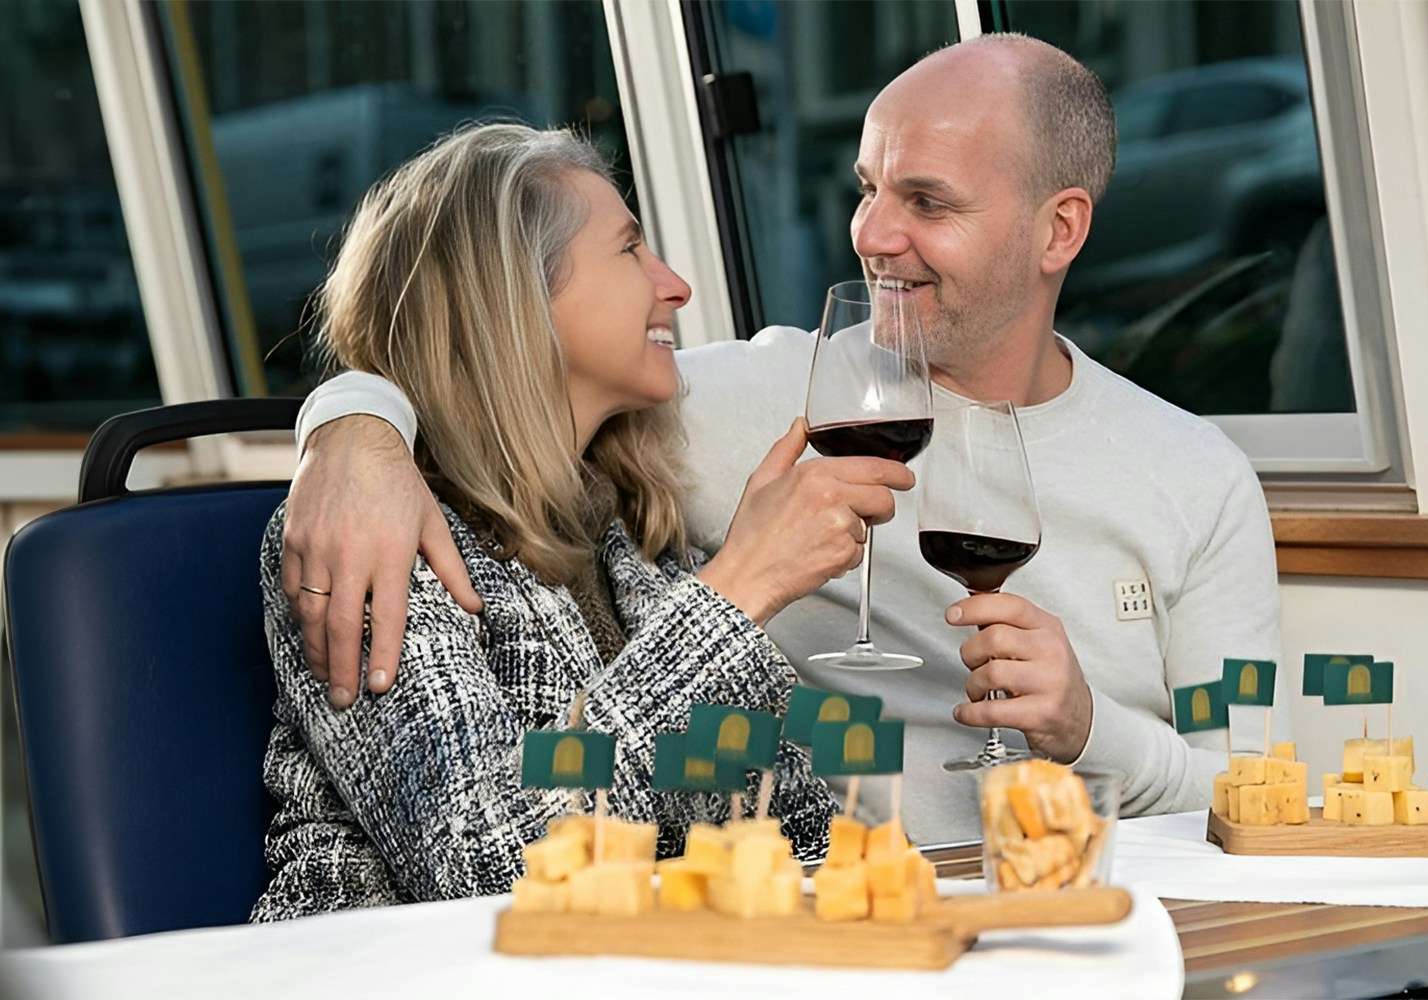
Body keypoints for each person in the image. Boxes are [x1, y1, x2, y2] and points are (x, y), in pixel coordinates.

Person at [283, 34, 1288, 845]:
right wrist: (354, 424)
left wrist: (1087, 730)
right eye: (867, 187)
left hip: (1075, 913)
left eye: (926, 201)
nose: (871, 232)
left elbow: (1260, 795)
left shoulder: (1195, 478)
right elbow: (471, 364)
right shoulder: (707, 407)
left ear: (1057, 230)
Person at [250, 123, 920, 921]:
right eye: (630, 250)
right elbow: (480, 863)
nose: (676, 286)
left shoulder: (638, 540)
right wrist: (739, 591)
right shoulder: (372, 538)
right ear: (512, 295)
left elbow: (801, 827)